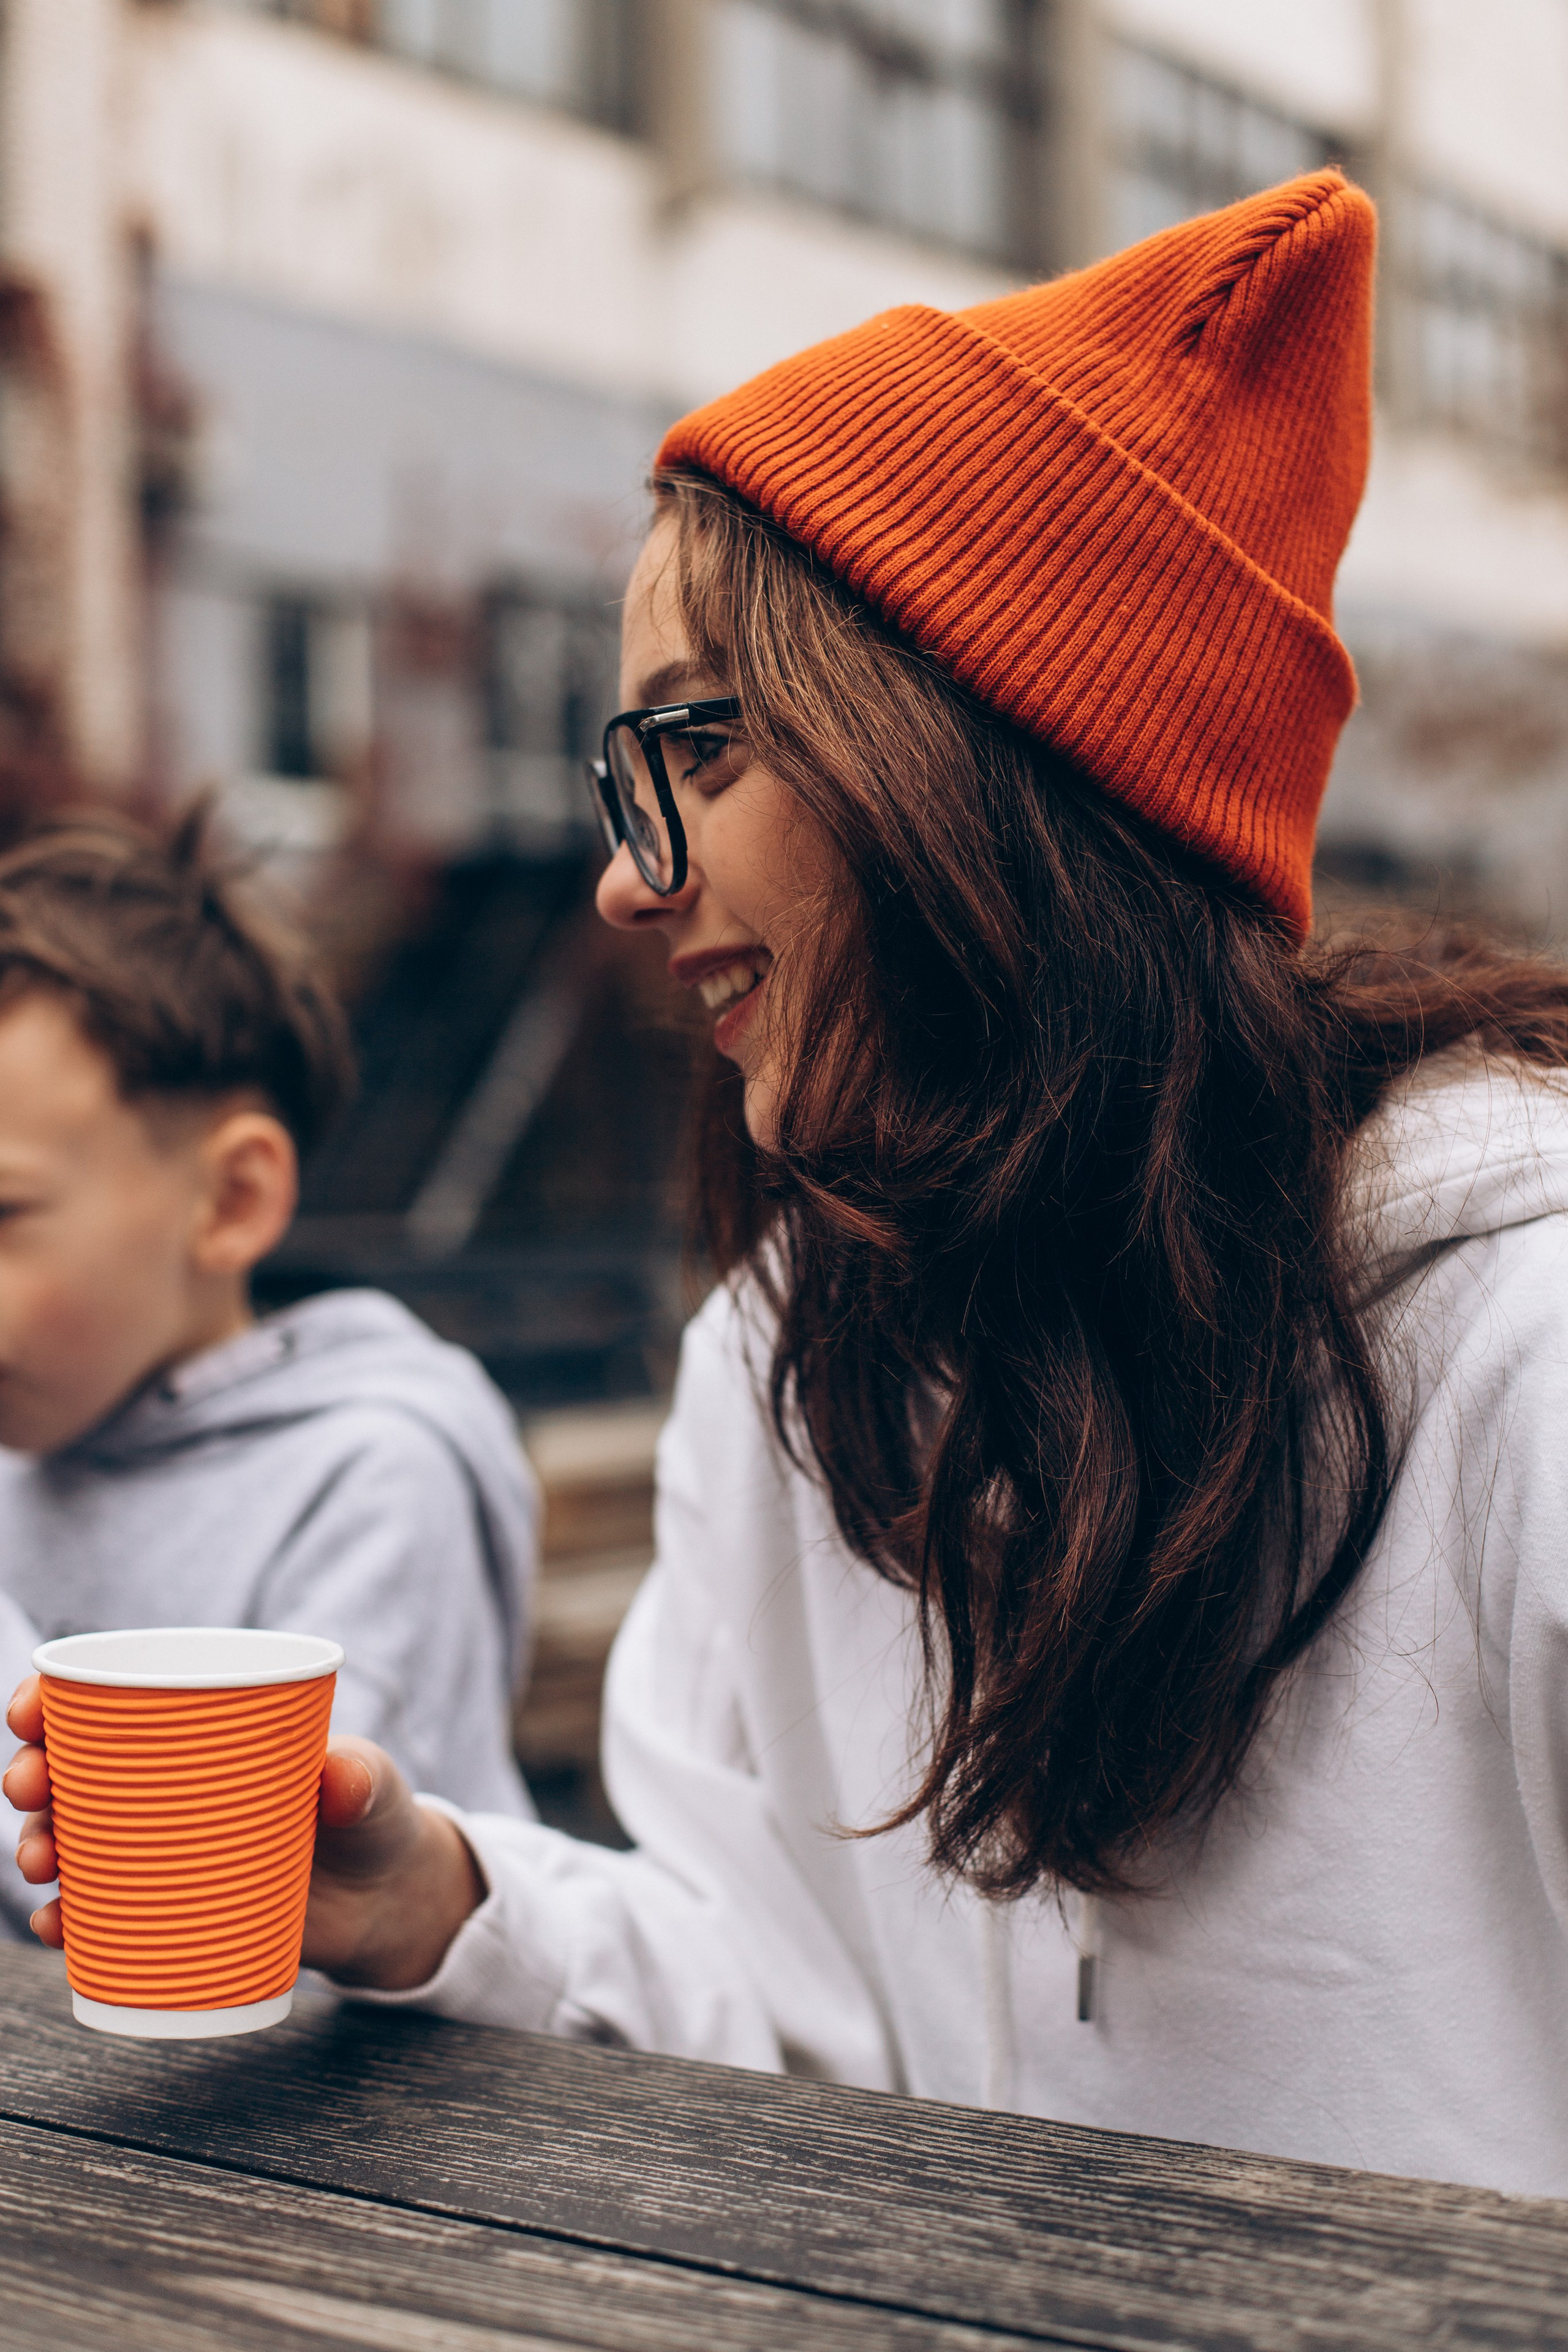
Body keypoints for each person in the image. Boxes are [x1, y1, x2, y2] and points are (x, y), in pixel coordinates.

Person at [12, 171, 1568, 2196]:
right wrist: (447, 1898)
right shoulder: (791, 1355)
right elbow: (798, 2027)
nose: (626, 880)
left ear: (985, 763)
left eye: (702, 748)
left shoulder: (1513, 1364)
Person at [0, 813, 537, 1934]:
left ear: (232, 1200)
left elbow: (242, 1905)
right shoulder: (26, 1440)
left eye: (6, 1216)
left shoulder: (374, 1469)